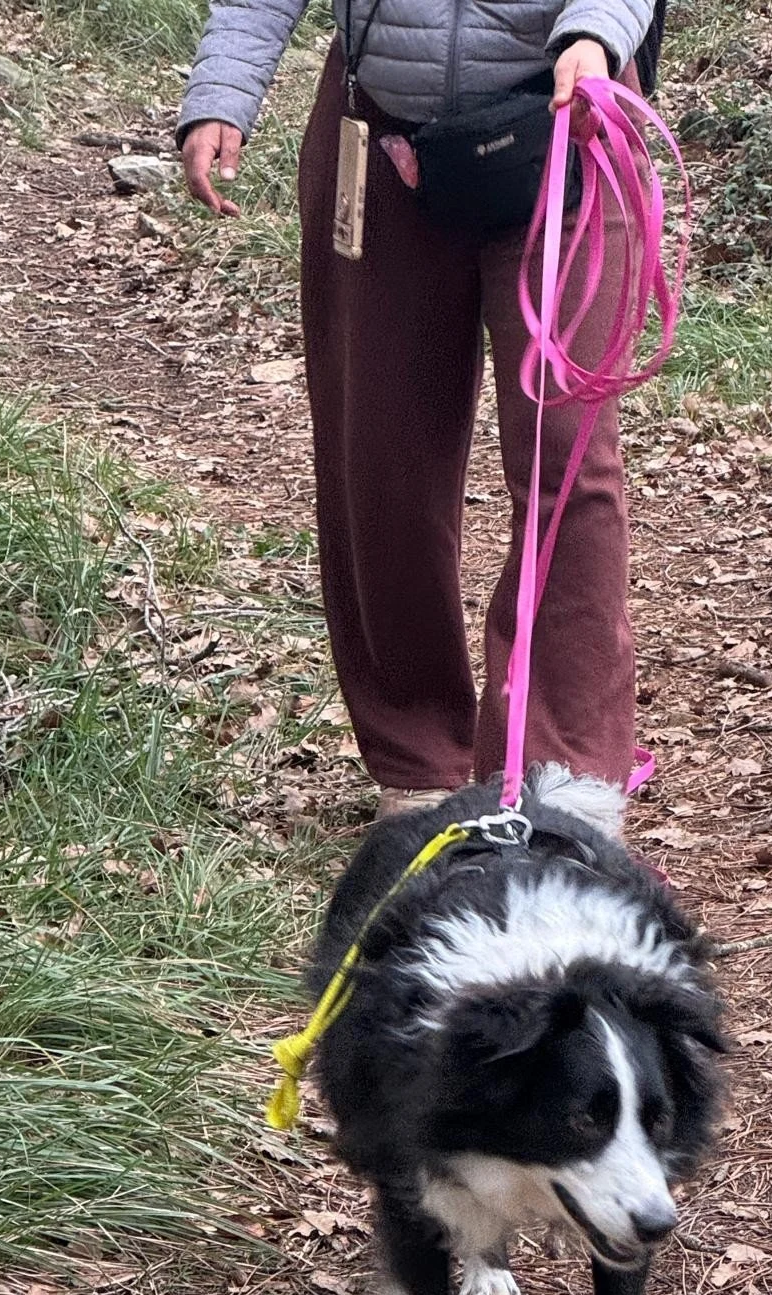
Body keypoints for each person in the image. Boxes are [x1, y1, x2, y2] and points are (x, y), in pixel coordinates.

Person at [178, 0, 656, 817]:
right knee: (382, 454)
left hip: (566, 120)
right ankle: (418, 761)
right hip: (380, 131)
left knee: (567, 456)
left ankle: (563, 782)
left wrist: (592, 33)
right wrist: (223, 90)